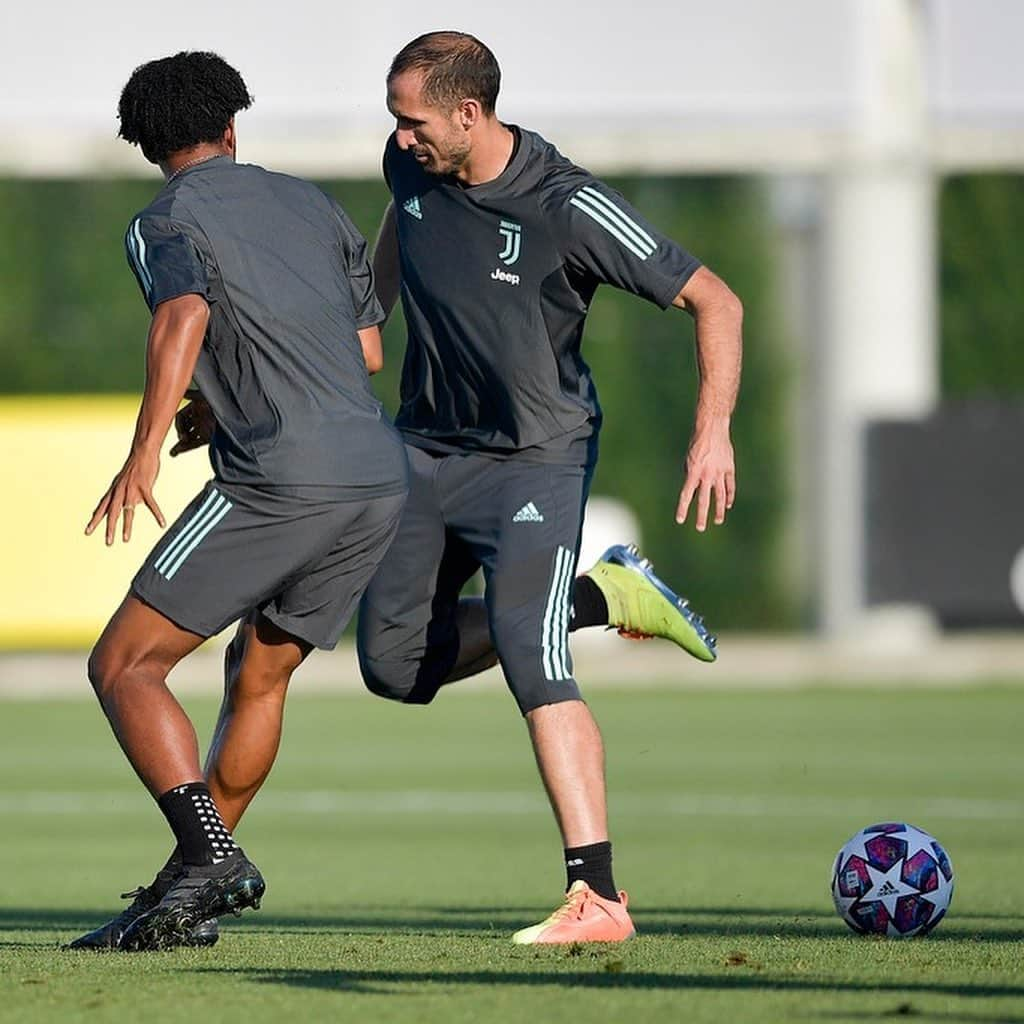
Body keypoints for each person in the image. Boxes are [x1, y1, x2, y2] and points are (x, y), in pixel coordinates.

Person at [355, 32, 743, 944]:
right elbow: (391, 252)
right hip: (422, 454)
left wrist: (712, 429)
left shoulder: (570, 205)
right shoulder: (405, 165)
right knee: (393, 669)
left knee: (535, 659)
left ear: (468, 112)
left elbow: (715, 299)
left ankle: (598, 897)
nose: (399, 137)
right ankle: (602, 596)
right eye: (393, 121)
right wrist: (358, 334)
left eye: (413, 121)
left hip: (534, 459)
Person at [69, 51, 408, 951]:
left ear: (147, 144)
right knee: (259, 673)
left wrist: (143, 451)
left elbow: (183, 316)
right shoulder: (310, 201)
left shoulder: (164, 217)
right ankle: (185, 894)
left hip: (279, 474)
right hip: (375, 471)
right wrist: (219, 400)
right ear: (231, 127)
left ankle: (208, 858)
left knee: (124, 666)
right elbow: (366, 352)